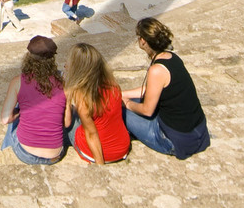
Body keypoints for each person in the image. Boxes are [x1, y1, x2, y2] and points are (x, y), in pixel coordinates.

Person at [122, 17, 210, 159]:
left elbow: (147, 110)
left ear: (143, 40)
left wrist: (126, 103)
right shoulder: (171, 57)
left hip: (174, 141)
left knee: (120, 110)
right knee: (129, 100)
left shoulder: (156, 70)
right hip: (197, 133)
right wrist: (123, 93)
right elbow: (151, 88)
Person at [0, 35, 66, 164]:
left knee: (17, 107)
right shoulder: (63, 81)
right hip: (55, 155)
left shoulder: (18, 81)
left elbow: (5, 119)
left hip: (26, 153)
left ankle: (4, 149)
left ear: (29, 57)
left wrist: (20, 113)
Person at [63, 42, 131, 165]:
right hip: (122, 147)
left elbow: (91, 134)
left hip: (98, 152)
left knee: (64, 124)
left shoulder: (83, 99)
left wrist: (100, 165)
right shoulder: (113, 86)